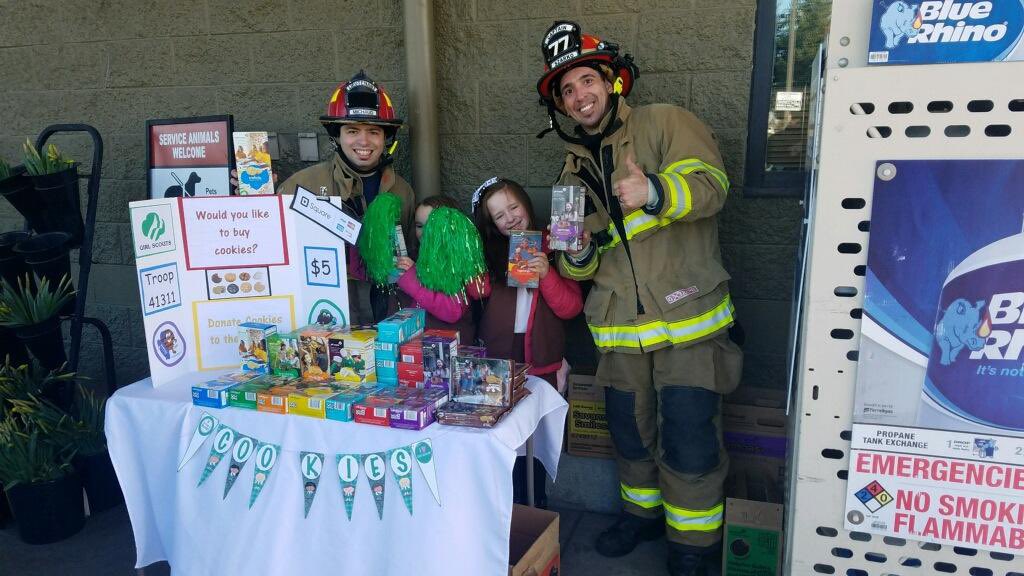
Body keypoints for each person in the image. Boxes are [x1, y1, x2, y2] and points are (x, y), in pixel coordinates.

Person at [534, 21, 744, 576]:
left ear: (611, 80)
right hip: (620, 336)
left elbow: (712, 185)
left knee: (690, 437)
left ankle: (693, 548)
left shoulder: (666, 122)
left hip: (690, 321)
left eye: (586, 81)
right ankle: (642, 517)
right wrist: (573, 249)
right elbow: (574, 265)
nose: (580, 96)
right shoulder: (566, 179)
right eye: (568, 91)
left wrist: (654, 191)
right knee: (629, 434)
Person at [471, 176, 583, 508]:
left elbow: (571, 308)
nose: (510, 218)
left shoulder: (557, 242)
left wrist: (547, 274)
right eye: (499, 216)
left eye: (513, 207)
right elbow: (474, 300)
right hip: (499, 361)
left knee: (535, 450)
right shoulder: (488, 253)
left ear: (525, 202)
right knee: (502, 447)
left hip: (541, 361)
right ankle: (506, 519)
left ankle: (535, 518)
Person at [275, 70, 416, 324]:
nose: (364, 140)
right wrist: (251, 196)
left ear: (386, 139)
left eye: (374, 131)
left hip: (386, 321)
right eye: (352, 130)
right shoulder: (301, 186)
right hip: (324, 320)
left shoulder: (402, 192)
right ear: (337, 136)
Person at [393, 195, 478, 342]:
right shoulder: (413, 258)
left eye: (433, 225)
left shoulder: (460, 264)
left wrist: (413, 280)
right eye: (420, 226)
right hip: (412, 350)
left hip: (448, 353)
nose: (426, 232)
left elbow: (452, 311)